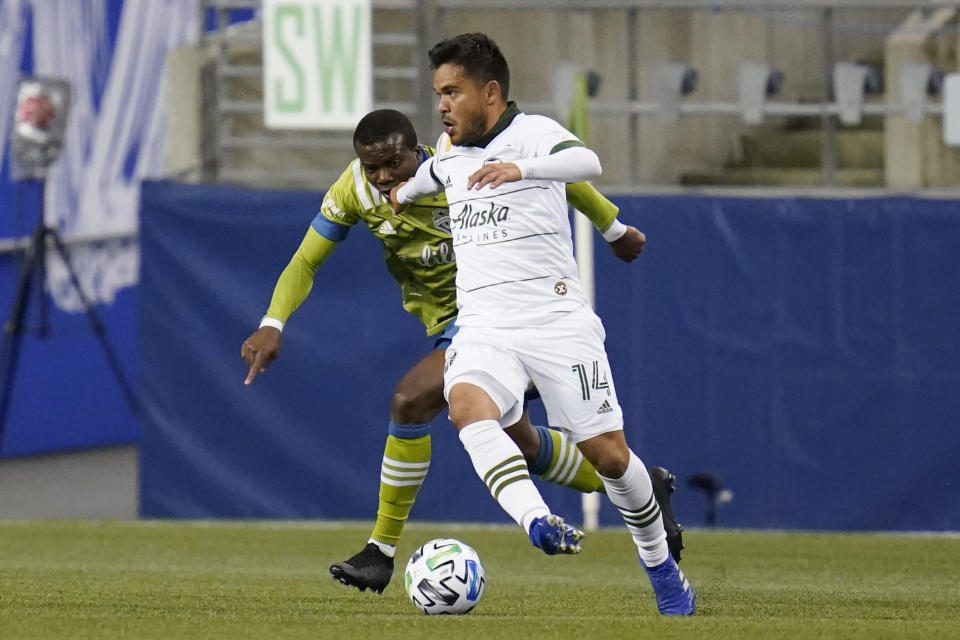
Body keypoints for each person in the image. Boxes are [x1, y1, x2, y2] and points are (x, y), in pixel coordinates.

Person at [241, 109, 684, 596]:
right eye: (373, 167)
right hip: (454, 325)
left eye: (395, 162)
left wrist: (612, 226)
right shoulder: (354, 191)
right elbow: (308, 257)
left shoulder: (455, 166)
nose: (385, 176)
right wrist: (271, 323)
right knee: (524, 444)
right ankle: (642, 485)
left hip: (500, 313)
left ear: (418, 152)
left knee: (410, 401)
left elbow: (561, 181)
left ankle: (381, 551)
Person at [391, 33, 695, 615]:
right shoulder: (449, 153)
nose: (442, 106)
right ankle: (537, 521)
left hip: (556, 322)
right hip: (484, 325)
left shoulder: (535, 134)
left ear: (492, 91)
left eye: (452, 92)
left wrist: (521, 170)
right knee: (465, 406)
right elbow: (435, 177)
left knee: (608, 456)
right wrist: (404, 191)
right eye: (438, 94)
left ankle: (663, 572)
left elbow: (590, 163)